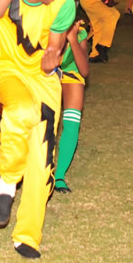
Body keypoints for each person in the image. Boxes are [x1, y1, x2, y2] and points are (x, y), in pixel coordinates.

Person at [0, 0, 76, 259]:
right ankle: (8, 184)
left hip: (43, 79)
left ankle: (27, 236)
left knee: (41, 161)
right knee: (22, 111)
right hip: (6, 70)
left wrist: (53, 56)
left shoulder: (64, 4)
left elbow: (54, 46)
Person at [54, 20, 89, 194]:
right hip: (43, 71)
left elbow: (84, 70)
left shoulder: (79, 32)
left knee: (72, 122)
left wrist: (73, 39)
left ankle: (59, 175)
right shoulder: (41, 23)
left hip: (71, 73)